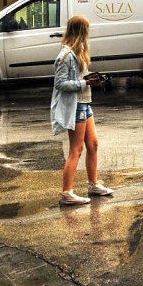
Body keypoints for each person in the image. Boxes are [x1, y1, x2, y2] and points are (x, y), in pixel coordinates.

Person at [52, 15, 113, 206]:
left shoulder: (78, 52)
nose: (88, 33)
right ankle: (66, 193)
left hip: (85, 103)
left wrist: (92, 80)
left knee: (93, 144)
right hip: (76, 105)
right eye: (86, 30)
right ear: (80, 31)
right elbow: (60, 84)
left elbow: (79, 77)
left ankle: (93, 185)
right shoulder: (66, 55)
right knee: (76, 150)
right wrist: (85, 82)